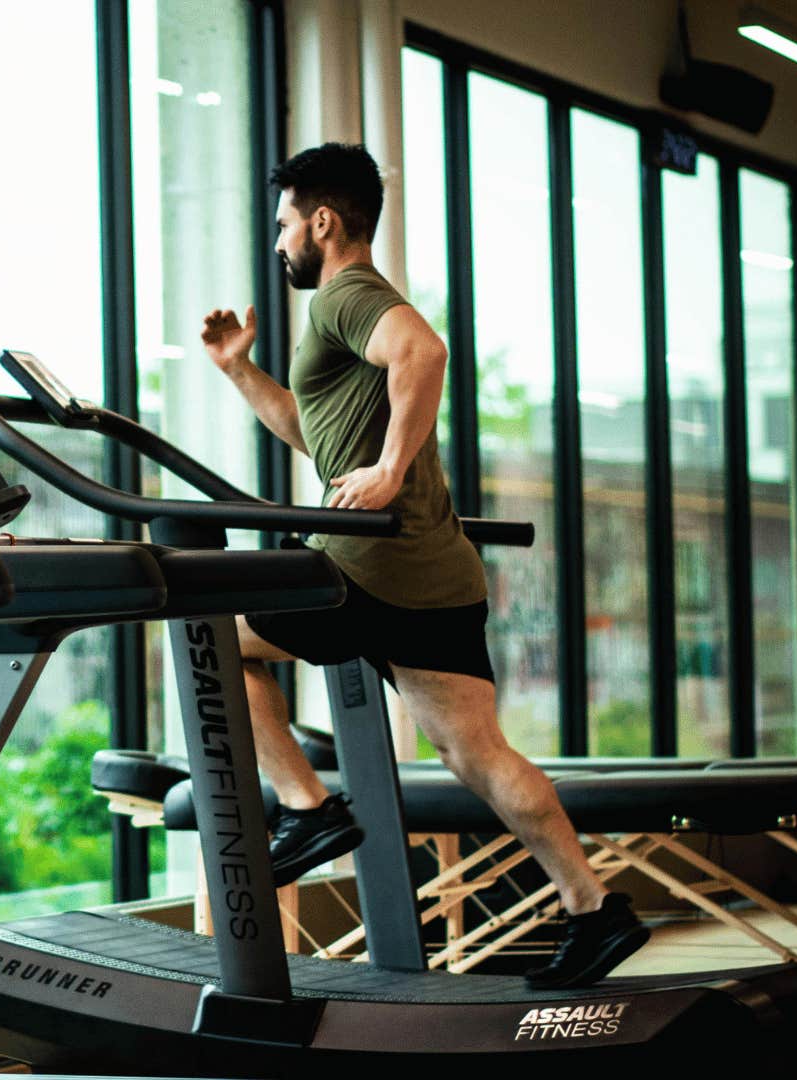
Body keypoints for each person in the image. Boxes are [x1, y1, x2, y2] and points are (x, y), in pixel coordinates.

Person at [200, 141, 648, 989]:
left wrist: (391, 471)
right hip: (436, 574)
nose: (280, 242)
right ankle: (593, 908)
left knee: (210, 635)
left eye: (285, 224)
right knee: (479, 755)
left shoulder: (349, 296)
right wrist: (240, 370)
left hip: (365, 565)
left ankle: (307, 809)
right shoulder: (348, 312)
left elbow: (425, 354)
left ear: (322, 222)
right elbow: (316, 433)